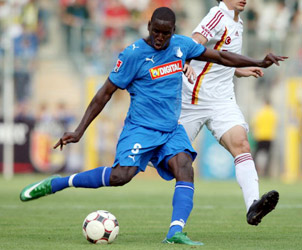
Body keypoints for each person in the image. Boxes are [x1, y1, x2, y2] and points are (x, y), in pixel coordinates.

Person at [20, 7, 286, 245]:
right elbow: (104, 93)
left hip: (171, 129)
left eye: (166, 34)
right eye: (156, 32)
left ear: (173, 32)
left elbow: (221, 57)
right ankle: (61, 183)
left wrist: (257, 61)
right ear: (148, 27)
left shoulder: (181, 46)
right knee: (120, 177)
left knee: (184, 167)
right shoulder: (133, 55)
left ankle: (175, 232)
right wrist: (79, 131)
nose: (160, 38)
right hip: (141, 128)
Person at [179, 0, 282, 226]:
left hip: (222, 101)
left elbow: (218, 58)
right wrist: (185, 61)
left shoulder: (239, 22)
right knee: (171, 158)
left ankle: (253, 205)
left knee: (241, 144)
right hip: (193, 99)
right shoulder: (217, 15)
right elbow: (195, 41)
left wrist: (237, 71)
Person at [252, 99, 278, 177]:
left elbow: (255, 123)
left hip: (260, 136)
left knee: (256, 154)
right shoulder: (273, 113)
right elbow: (275, 124)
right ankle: (266, 172)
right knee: (268, 155)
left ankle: (255, 170)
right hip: (269, 137)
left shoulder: (260, 112)